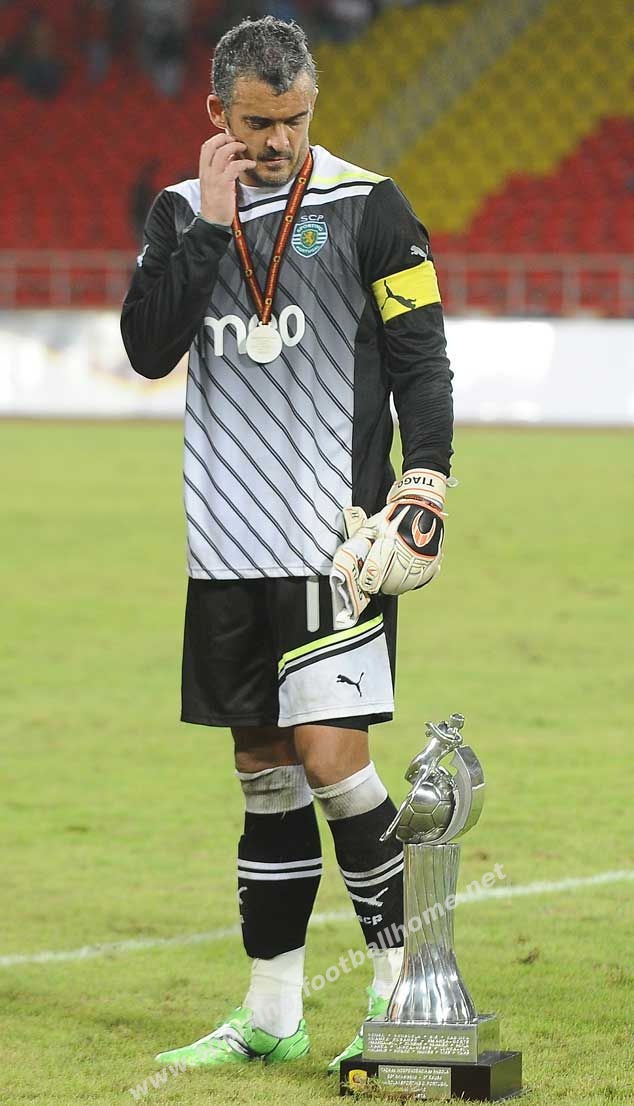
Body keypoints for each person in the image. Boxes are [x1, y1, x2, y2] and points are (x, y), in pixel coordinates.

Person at [120, 14, 453, 1074]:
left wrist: (426, 481)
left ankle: (405, 994)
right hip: (226, 540)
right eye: (258, 123)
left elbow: (422, 355)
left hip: (334, 540)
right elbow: (148, 349)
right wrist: (211, 227)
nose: (277, 141)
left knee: (332, 761)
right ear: (216, 112)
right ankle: (271, 1011)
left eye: (294, 120)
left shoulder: (369, 204)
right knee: (263, 771)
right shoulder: (181, 210)